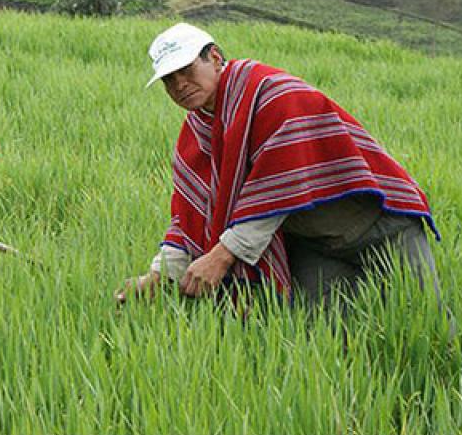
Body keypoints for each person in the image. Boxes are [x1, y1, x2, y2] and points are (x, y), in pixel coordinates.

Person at [115, 22, 442, 309]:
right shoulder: (196, 133)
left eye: (186, 70)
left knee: (426, 321)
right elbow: (189, 215)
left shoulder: (274, 95)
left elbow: (277, 187)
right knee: (326, 342)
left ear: (214, 58)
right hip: (315, 244)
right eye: (169, 80)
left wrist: (222, 254)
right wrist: (159, 274)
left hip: (379, 225)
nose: (179, 85)